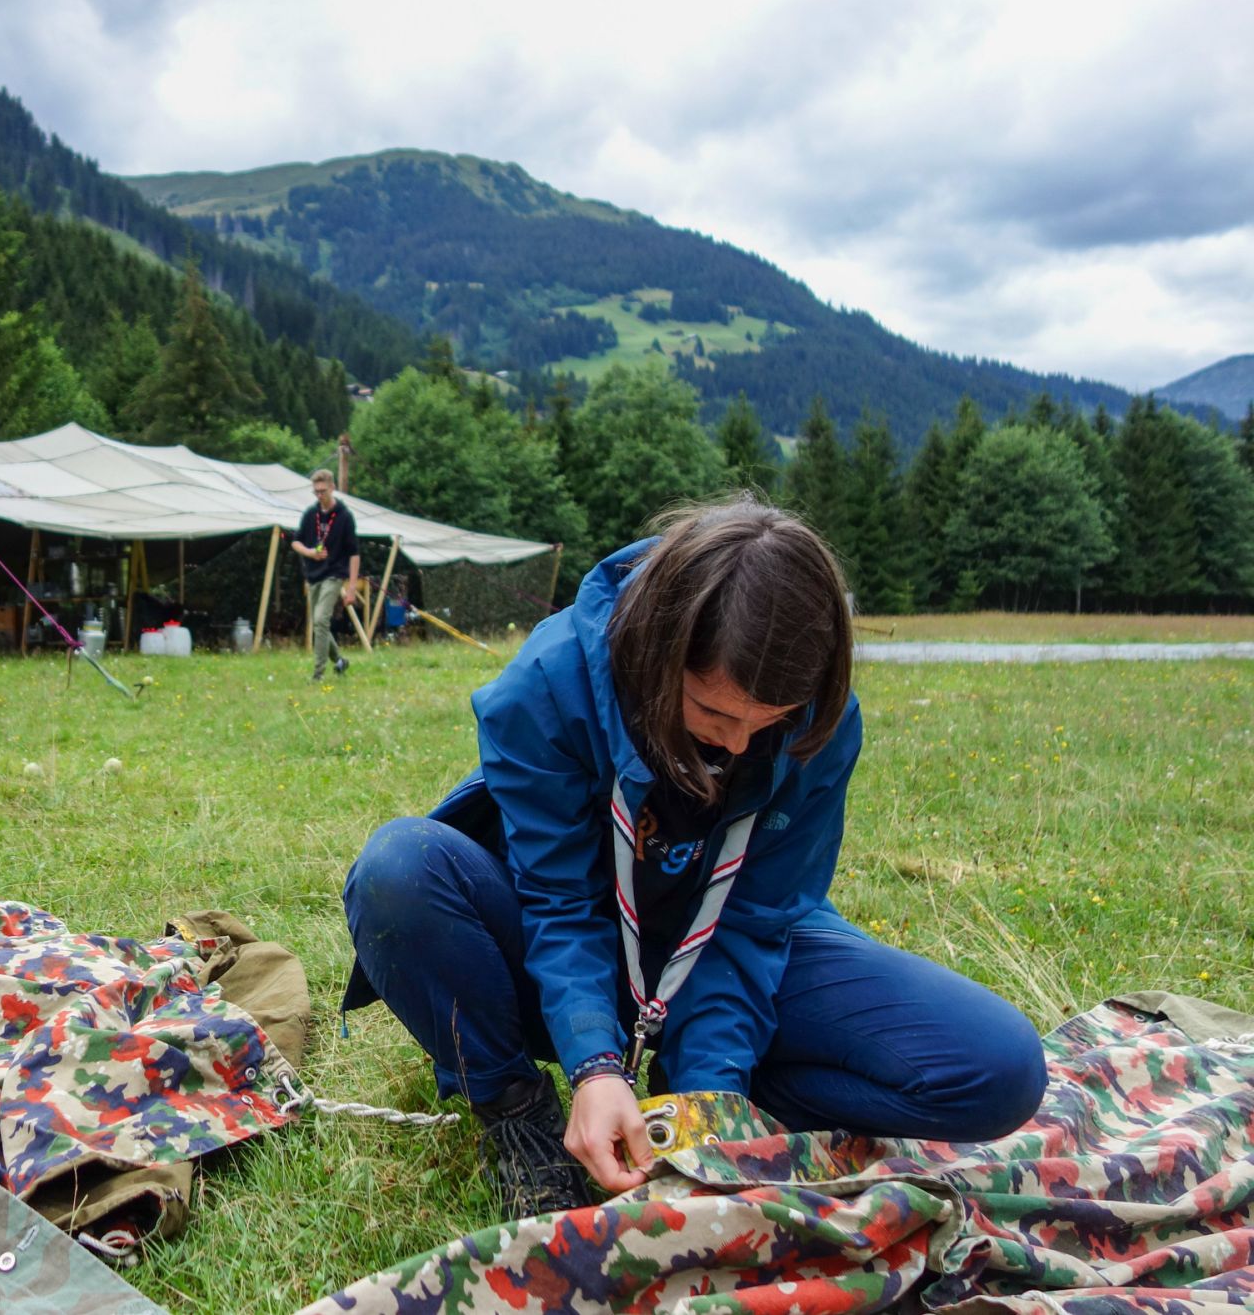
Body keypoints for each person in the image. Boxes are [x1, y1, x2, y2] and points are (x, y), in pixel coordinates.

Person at [341, 498, 1046, 1219]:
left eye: (767, 722)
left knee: (999, 1068)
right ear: (659, 654)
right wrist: (593, 1063)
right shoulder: (550, 681)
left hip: (727, 947)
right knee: (399, 869)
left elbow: (754, 922)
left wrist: (711, 1099)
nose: (739, 745)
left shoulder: (820, 722)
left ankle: (702, 1102)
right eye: (714, 713)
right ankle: (518, 1113)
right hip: (568, 948)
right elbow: (559, 901)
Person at [289, 468, 360, 682]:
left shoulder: (345, 517)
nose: (320, 495)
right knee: (319, 623)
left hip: (334, 574)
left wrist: (352, 588)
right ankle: (339, 661)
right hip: (313, 575)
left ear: (332, 488)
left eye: (323, 491)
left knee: (320, 620)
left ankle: (318, 674)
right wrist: (310, 552)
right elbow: (295, 541)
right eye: (316, 492)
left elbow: (354, 554)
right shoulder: (310, 514)